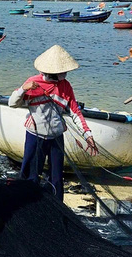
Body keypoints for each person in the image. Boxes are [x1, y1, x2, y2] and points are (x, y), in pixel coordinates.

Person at [9, 45, 97, 202]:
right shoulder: (33, 82)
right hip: (35, 136)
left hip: (56, 137)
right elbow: (12, 103)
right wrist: (23, 89)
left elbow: (75, 112)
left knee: (56, 177)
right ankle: (26, 206)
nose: (65, 73)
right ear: (53, 72)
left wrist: (87, 134)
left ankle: (56, 206)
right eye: (62, 71)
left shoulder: (66, 86)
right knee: (31, 174)